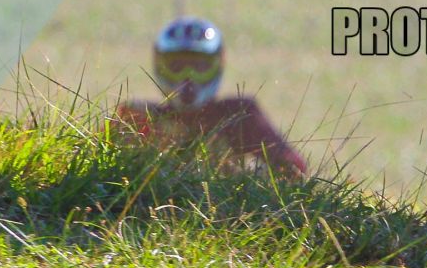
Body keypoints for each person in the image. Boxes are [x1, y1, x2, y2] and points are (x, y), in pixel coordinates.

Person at [113, 16, 309, 178]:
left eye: (199, 67)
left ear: (218, 65)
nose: (188, 77)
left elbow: (294, 168)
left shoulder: (239, 114)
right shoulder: (138, 117)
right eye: (177, 66)